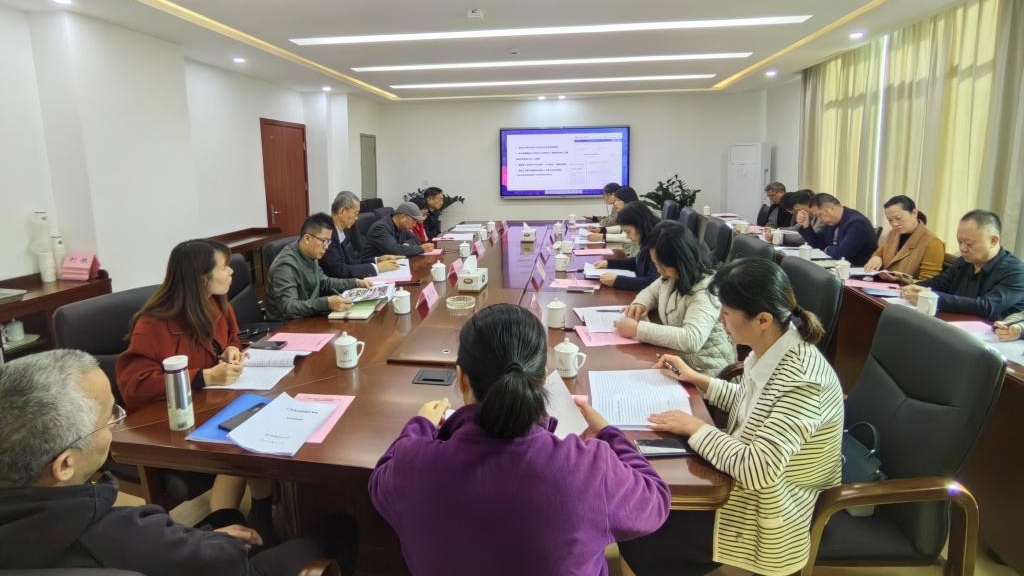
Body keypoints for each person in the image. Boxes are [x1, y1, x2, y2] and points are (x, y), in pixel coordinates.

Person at [369, 304, 670, 576]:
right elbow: (655, 500)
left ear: (461, 379)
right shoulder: (590, 468)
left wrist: (419, 425)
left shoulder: (412, 465)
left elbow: (379, 483)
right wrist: (609, 433)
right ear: (542, 380)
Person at [0, 349, 323, 576]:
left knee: (227, 517)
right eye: (110, 416)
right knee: (331, 533)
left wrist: (207, 537)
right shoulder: (120, 535)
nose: (116, 423)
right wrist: (219, 543)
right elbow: (224, 561)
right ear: (64, 465)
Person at [619, 258, 844, 576]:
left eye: (726, 312)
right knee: (641, 506)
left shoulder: (804, 382)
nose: (719, 319)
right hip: (743, 481)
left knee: (643, 531)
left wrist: (696, 427)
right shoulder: (773, 346)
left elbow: (759, 470)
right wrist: (697, 379)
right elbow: (751, 403)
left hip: (774, 508)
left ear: (763, 319)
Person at [116, 239, 276, 536]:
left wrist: (232, 350)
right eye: (224, 267)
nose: (231, 272)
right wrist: (203, 377)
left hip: (212, 404)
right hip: (173, 421)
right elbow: (134, 386)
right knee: (241, 443)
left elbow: (231, 338)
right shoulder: (153, 324)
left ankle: (262, 509)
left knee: (260, 423)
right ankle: (227, 526)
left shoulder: (217, 304)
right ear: (201, 278)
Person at [613, 221, 736, 375]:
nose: (659, 271)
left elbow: (691, 339)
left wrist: (637, 329)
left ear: (682, 262)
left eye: (663, 267)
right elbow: (651, 291)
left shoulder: (706, 290)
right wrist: (640, 304)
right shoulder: (673, 275)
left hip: (705, 370)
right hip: (678, 361)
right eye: (656, 264)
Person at [903, 210, 1024, 321]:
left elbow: (986, 306)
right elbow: (940, 283)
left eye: (969, 244)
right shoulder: (964, 261)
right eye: (959, 242)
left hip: (990, 333)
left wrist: (932, 297)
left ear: (993, 241)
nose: (962, 248)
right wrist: (914, 288)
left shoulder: (1016, 272)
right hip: (955, 324)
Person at [266, 213, 370, 321]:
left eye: (328, 241)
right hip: (286, 325)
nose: (326, 247)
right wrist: (326, 303)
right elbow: (289, 307)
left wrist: (355, 283)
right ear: (307, 239)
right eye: (324, 241)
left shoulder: (310, 254)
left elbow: (325, 282)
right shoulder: (285, 266)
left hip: (307, 317)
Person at [319, 190, 404, 279]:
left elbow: (350, 262)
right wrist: (377, 268)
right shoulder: (327, 235)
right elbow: (339, 271)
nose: (356, 218)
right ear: (343, 211)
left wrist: (378, 260)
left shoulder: (341, 232)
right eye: (355, 213)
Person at [863, 195, 944, 282]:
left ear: (914, 213)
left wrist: (903, 280)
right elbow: (879, 253)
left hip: (904, 289)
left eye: (898, 218)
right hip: (884, 285)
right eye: (890, 220)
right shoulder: (893, 233)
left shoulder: (933, 243)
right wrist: (877, 258)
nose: (894, 224)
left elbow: (929, 282)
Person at [591, 201, 661, 291]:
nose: (627, 237)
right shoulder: (647, 239)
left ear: (640, 225)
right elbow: (637, 263)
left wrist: (617, 281)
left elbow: (653, 283)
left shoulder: (658, 243)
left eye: (628, 232)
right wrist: (608, 263)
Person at [797, 193, 878, 265]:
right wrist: (806, 226)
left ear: (831, 209)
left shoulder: (857, 223)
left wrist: (827, 249)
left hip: (857, 270)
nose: (820, 219)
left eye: (819, 215)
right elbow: (818, 243)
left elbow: (842, 254)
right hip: (837, 267)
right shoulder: (833, 222)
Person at [360, 202, 435, 259]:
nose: (415, 224)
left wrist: (407, 244)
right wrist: (421, 249)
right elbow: (394, 250)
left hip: (392, 264)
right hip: (374, 269)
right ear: (403, 217)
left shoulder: (402, 226)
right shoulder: (381, 228)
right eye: (414, 220)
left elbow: (416, 239)